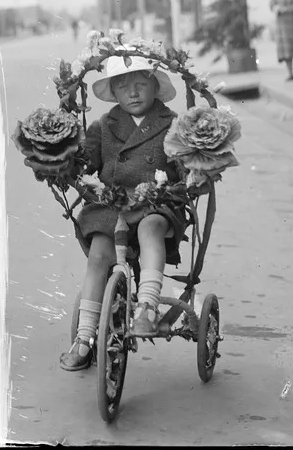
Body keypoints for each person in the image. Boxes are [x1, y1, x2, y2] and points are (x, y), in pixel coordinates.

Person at [59, 55, 186, 371]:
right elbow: (86, 163)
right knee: (99, 255)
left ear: (155, 88)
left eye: (141, 85)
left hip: (156, 201)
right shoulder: (104, 126)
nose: (133, 93)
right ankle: (84, 337)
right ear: (113, 93)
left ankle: (147, 306)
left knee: (151, 228)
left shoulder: (171, 124)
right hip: (111, 204)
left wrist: (186, 178)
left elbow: (185, 168)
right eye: (124, 87)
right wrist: (66, 160)